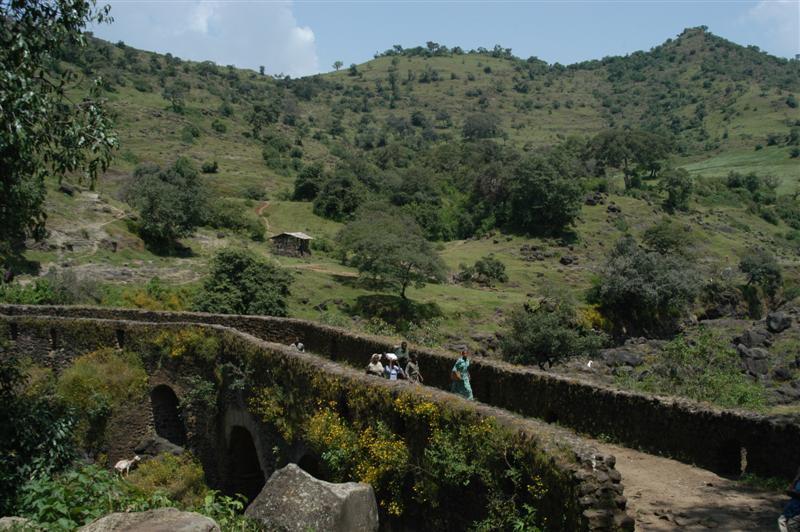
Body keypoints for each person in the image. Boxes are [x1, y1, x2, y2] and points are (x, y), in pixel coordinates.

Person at [779, 467, 800, 532]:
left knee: (792, 526)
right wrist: (796, 478)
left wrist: (793, 492)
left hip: (798, 509)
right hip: (792, 506)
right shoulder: (798, 481)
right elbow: (788, 490)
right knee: (781, 520)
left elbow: (790, 491)